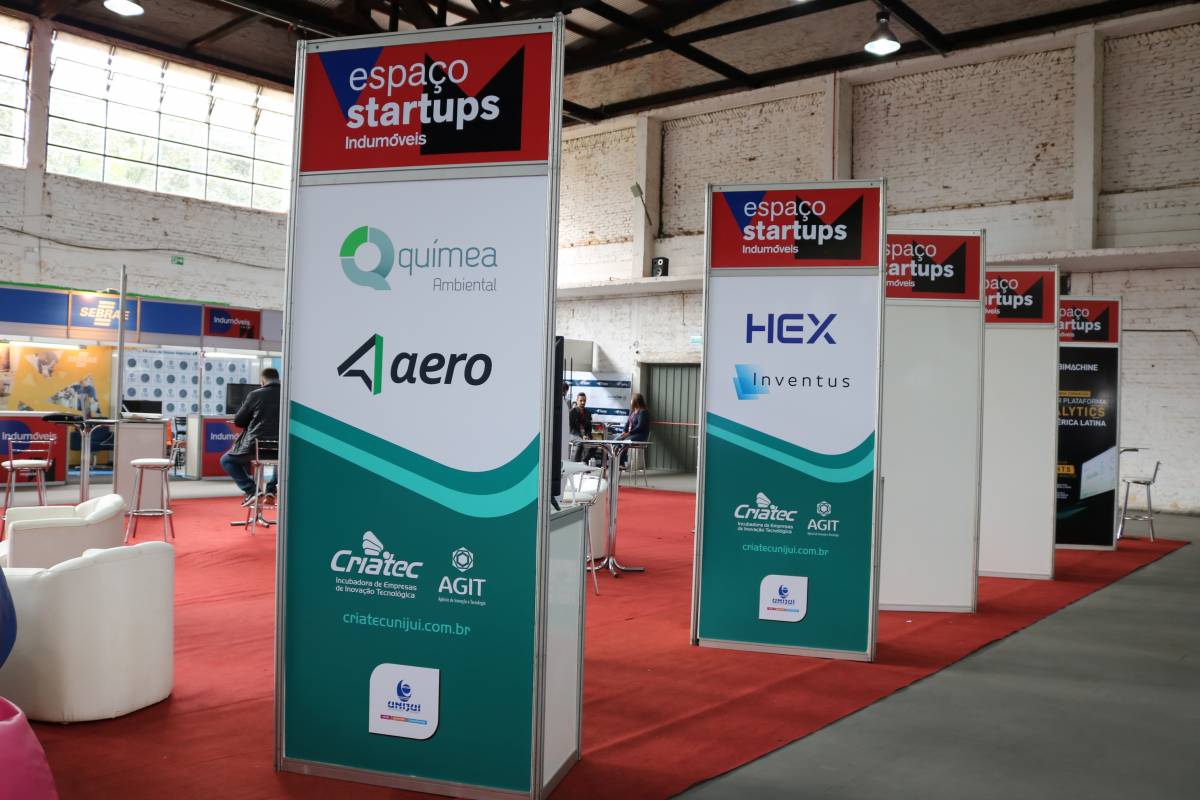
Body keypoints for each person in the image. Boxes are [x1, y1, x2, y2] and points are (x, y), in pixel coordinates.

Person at [221, 368, 280, 505]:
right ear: (278, 379)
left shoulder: (255, 395)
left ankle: (252, 490)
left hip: (255, 447)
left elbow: (239, 421)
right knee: (282, 463)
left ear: (263, 380)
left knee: (226, 460)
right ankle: (271, 489)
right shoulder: (288, 396)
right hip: (281, 448)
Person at [618, 392, 650, 467]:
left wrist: (628, 434)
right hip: (630, 434)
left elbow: (640, 427)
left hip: (640, 435)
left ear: (636, 401)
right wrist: (624, 431)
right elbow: (627, 423)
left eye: (632, 399)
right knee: (616, 441)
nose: (631, 401)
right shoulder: (632, 411)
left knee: (625, 442)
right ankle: (616, 461)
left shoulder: (643, 412)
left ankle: (620, 463)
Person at [569, 392, 597, 463]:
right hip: (573, 434)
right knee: (580, 442)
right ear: (577, 400)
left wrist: (588, 435)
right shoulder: (572, 412)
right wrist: (582, 436)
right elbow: (571, 429)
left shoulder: (588, 413)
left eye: (584, 401)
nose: (583, 402)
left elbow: (589, 427)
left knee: (596, 444)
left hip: (584, 435)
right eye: (581, 400)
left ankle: (584, 461)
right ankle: (574, 463)